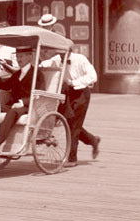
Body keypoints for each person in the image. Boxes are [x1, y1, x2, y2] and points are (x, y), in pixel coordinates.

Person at [37, 14, 100, 164]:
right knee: (70, 122)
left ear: (70, 49)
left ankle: (72, 158)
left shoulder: (80, 59)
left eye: (64, 51)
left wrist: (75, 83)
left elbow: (93, 76)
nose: (61, 53)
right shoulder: (56, 59)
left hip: (81, 93)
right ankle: (92, 140)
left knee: (74, 125)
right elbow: (43, 66)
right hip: (66, 93)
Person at [0, 45, 35, 146]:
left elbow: (38, 95)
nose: (18, 59)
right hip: (14, 106)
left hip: (28, 107)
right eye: (17, 56)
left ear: (30, 57)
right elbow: (4, 85)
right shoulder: (17, 74)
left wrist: (22, 102)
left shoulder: (37, 74)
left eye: (21, 56)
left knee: (13, 112)